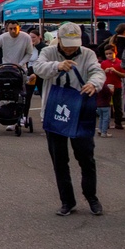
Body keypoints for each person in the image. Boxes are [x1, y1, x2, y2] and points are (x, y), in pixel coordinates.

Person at [33, 22, 105, 217]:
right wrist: (57, 65)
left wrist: (93, 83)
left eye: (74, 43)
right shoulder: (48, 52)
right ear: (60, 41)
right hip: (54, 109)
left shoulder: (87, 54)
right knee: (59, 159)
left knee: (86, 157)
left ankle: (92, 197)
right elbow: (38, 68)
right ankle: (67, 201)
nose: (71, 48)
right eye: (67, 44)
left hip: (79, 109)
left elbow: (97, 71)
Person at [100, 43, 125, 133]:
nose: (109, 56)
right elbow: (99, 74)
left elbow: (124, 75)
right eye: (107, 54)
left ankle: (118, 122)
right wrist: (104, 71)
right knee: (106, 105)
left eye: (110, 53)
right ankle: (105, 123)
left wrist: (115, 71)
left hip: (117, 86)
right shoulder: (103, 63)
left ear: (115, 52)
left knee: (117, 105)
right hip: (106, 87)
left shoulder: (120, 63)